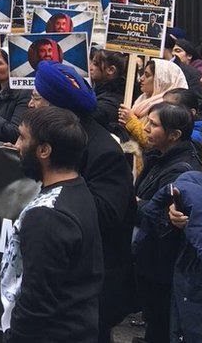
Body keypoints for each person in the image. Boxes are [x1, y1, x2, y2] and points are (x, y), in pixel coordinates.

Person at [31, 62, 136, 343]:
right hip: (62, 277)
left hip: (93, 286)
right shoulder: (52, 142)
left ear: (56, 108)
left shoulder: (105, 152)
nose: (31, 104)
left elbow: (105, 215)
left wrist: (58, 180)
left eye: (37, 98)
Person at [0, 106, 101, 342]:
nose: (15, 145)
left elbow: (37, 302)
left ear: (44, 150)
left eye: (23, 138)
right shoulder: (78, 189)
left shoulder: (46, 216)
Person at [133, 102, 202, 343]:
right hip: (152, 258)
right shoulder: (158, 157)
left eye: (153, 125)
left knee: (161, 324)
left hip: (163, 263)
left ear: (174, 135)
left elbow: (162, 216)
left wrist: (135, 203)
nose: (145, 128)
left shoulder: (182, 170)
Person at [119, 58, 189, 151]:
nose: (141, 78)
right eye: (143, 74)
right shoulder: (143, 99)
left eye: (147, 75)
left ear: (162, 80)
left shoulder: (170, 106)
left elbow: (152, 143)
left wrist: (131, 121)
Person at [89, 49, 128, 137]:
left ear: (111, 70)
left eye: (95, 64)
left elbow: (91, 115)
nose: (90, 67)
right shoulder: (99, 89)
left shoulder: (112, 101)